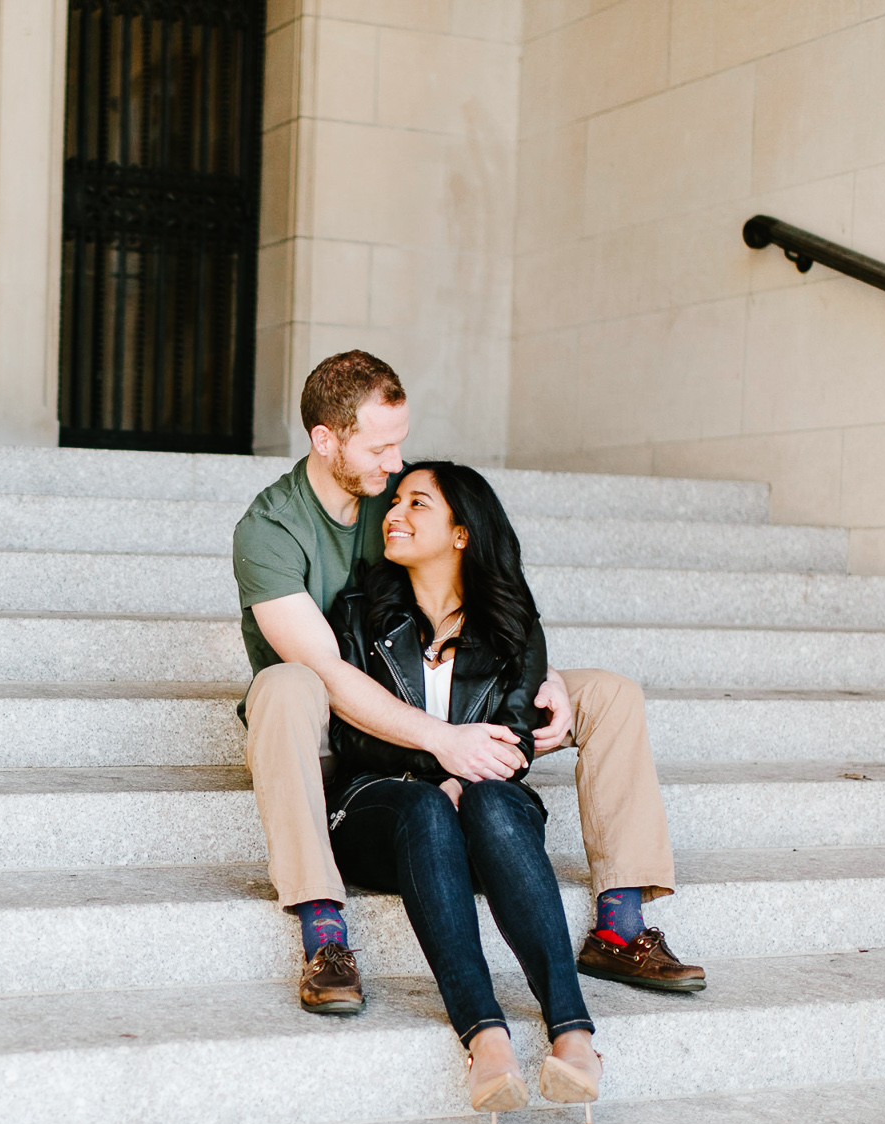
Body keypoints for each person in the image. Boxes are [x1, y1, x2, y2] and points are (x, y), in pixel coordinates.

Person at [232, 350, 703, 1023]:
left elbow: (478, 588)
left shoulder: (390, 500)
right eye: (381, 447)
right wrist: (444, 744)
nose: (396, 465)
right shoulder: (269, 530)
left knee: (610, 694)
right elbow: (331, 674)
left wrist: (545, 678)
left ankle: (619, 925)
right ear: (325, 439)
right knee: (284, 685)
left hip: (441, 705)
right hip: (334, 732)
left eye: (400, 444)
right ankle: (324, 932)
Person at [324, 461, 600, 1124]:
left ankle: (572, 1031)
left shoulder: (512, 624)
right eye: (395, 501)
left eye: (418, 503)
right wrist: (437, 757)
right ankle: (486, 1038)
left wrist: (461, 776)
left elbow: (513, 740)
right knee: (424, 804)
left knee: (491, 801)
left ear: (461, 533)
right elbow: (352, 731)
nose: (395, 513)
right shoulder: (359, 610)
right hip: (378, 803)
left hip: (480, 805)